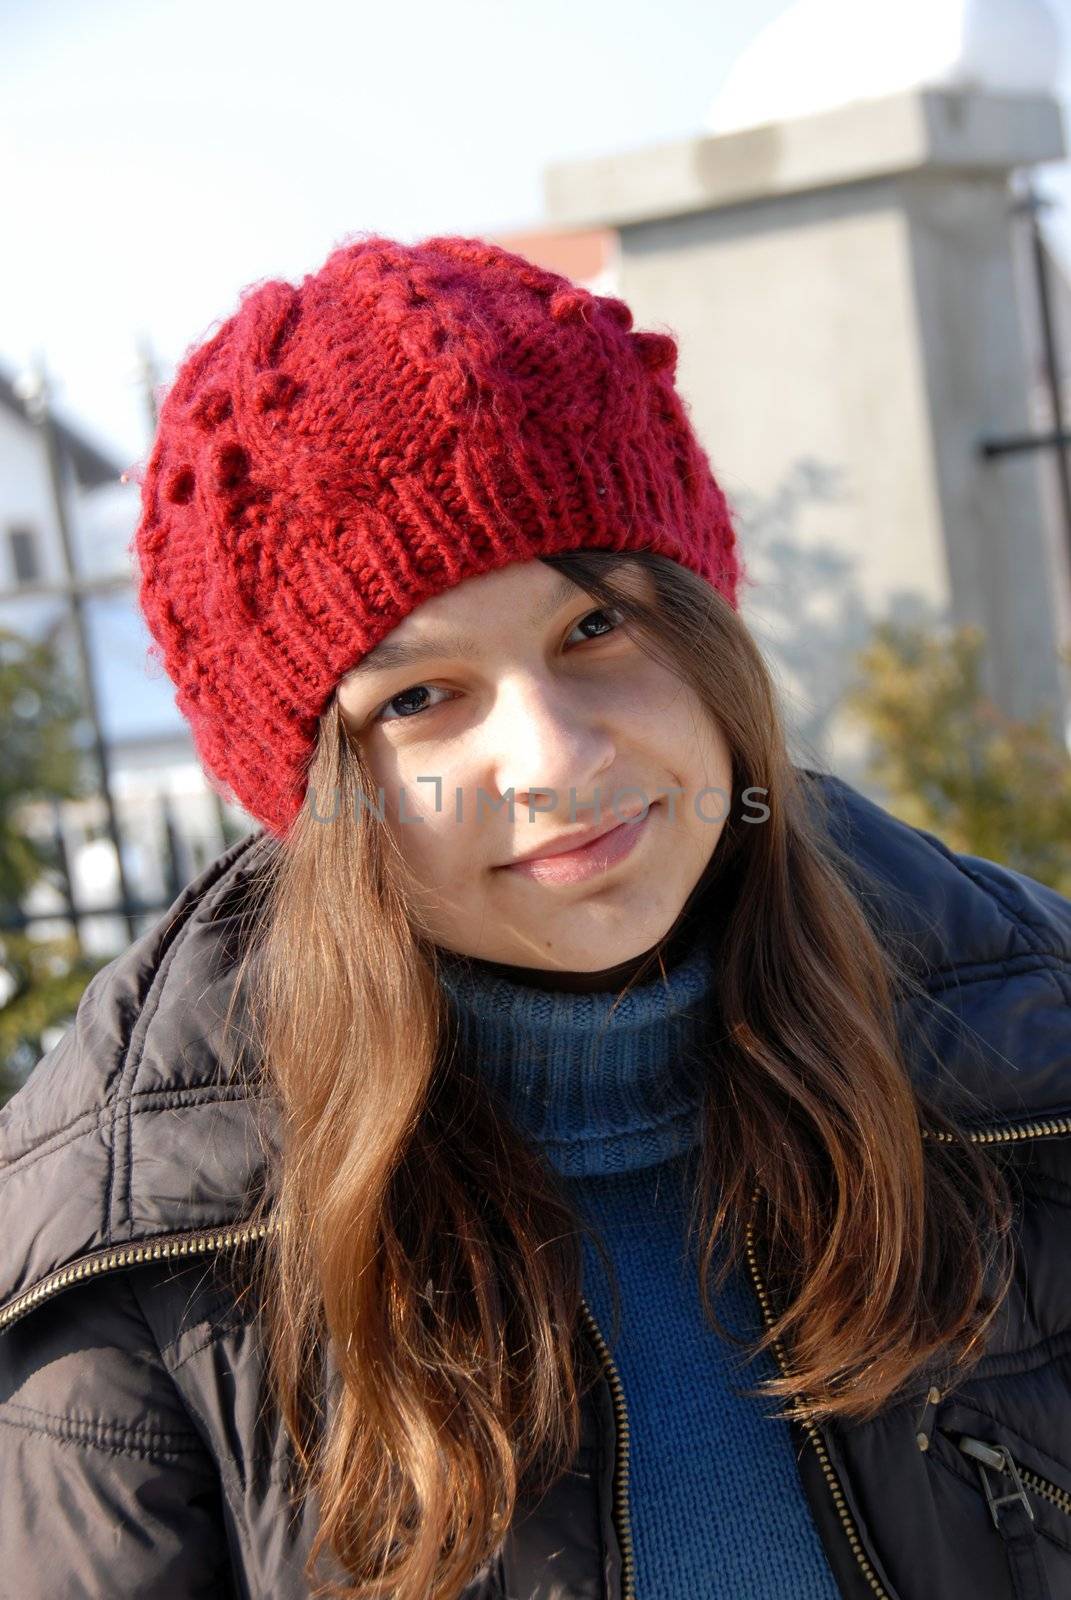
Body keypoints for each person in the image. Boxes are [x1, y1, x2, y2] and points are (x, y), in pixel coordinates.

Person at [1, 234, 1070, 1600]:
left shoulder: (1033, 1071)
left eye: (595, 630)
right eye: (418, 699)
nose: (557, 761)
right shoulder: (129, 1276)